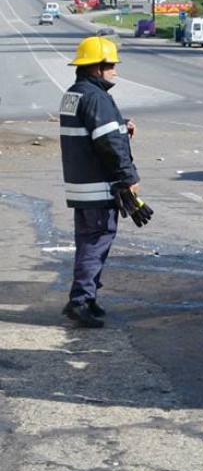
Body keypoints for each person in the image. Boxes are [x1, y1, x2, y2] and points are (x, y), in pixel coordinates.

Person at [59, 35, 151, 328]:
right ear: (96, 68)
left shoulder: (74, 94)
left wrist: (122, 128)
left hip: (80, 186)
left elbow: (94, 133)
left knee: (88, 243)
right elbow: (109, 143)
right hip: (97, 187)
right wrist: (128, 178)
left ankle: (87, 296)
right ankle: (81, 301)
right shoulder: (97, 97)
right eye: (110, 64)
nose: (115, 70)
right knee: (96, 243)